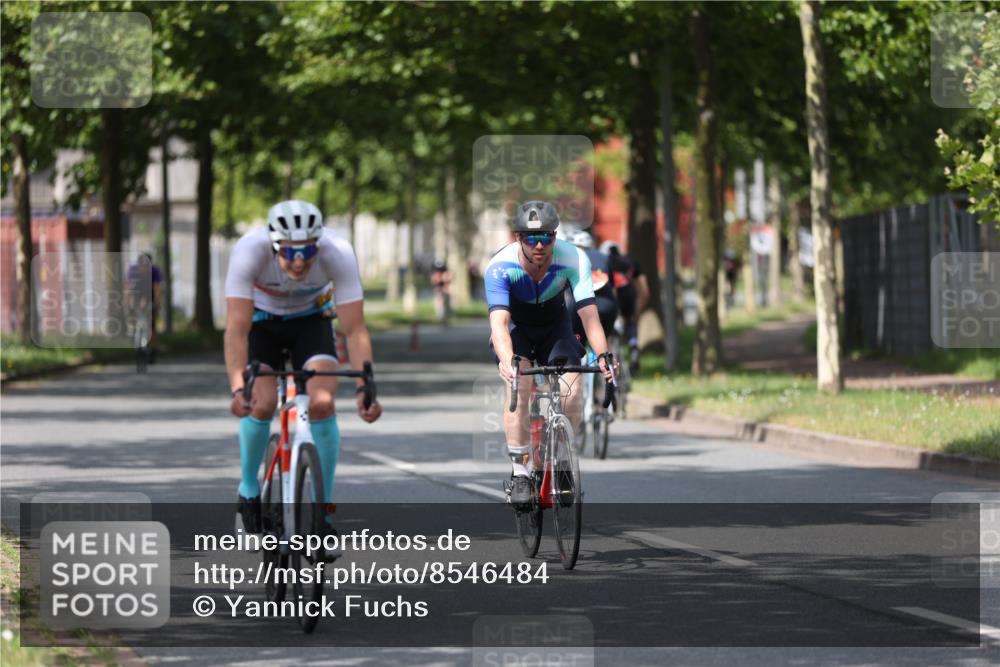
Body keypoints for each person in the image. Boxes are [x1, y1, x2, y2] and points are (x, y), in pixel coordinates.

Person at [224, 199, 383, 534]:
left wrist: (364, 388)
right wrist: (239, 387)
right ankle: (249, 491)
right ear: (272, 245)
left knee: (323, 402)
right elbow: (236, 330)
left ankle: (322, 513)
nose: (298, 262)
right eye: (289, 252)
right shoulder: (249, 251)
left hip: (311, 323)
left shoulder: (338, 251)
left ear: (318, 245)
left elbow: (354, 329)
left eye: (307, 253)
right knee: (262, 402)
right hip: (261, 325)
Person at [485, 201, 614, 508]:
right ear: (518, 238)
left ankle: (563, 461)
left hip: (556, 327)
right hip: (517, 329)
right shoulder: (500, 267)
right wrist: (508, 362)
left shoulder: (573, 258)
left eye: (547, 236)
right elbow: (499, 324)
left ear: (556, 236)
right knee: (520, 384)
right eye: (531, 238)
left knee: (572, 390)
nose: (540, 244)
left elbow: (589, 316)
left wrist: (604, 356)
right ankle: (520, 473)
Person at [599, 240, 649, 373]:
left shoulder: (602, 261)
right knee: (630, 322)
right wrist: (637, 309)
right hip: (629, 295)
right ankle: (633, 345)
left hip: (611, 297)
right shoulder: (630, 262)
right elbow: (644, 289)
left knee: (608, 331)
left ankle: (611, 362)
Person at [125, 253, 162, 358]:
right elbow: (129, 289)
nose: (144, 269)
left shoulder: (154, 271)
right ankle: (135, 336)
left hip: (149, 293)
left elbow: (157, 289)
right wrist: (128, 304)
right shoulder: (133, 270)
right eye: (142, 266)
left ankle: (152, 349)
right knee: (134, 317)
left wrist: (157, 305)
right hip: (137, 293)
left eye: (146, 267)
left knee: (152, 324)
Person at [430, 258, 453, 326]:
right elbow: (434, 282)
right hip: (438, 290)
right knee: (439, 303)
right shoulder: (435, 274)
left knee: (446, 304)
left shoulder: (445, 274)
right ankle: (441, 317)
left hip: (445, 290)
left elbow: (448, 281)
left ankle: (445, 318)